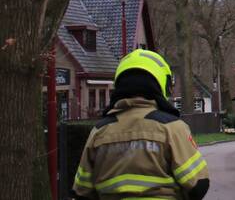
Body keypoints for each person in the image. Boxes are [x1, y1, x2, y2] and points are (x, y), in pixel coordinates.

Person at [72, 49, 210, 199]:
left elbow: (82, 191)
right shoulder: (171, 128)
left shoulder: (99, 132)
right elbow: (198, 185)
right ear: (160, 83)